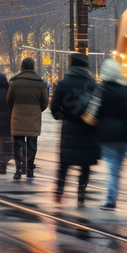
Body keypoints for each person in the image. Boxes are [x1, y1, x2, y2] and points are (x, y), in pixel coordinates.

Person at [81, 58, 127, 211]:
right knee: (118, 168)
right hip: (125, 135)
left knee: (112, 168)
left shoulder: (103, 89)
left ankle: (111, 200)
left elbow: (91, 113)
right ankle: (113, 195)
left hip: (108, 136)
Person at [51, 54, 101, 206]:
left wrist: (63, 116)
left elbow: (54, 109)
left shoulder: (63, 83)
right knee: (85, 166)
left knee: (64, 165)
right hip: (88, 132)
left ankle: (59, 192)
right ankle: (81, 193)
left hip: (69, 131)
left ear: (70, 65)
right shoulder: (92, 84)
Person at [7, 57, 48, 180]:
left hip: (18, 117)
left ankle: (18, 169)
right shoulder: (40, 83)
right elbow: (45, 102)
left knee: (18, 143)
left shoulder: (14, 82)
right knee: (32, 144)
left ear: (22, 67)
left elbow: (9, 100)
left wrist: (15, 109)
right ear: (33, 67)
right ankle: (29, 169)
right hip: (33, 118)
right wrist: (36, 110)